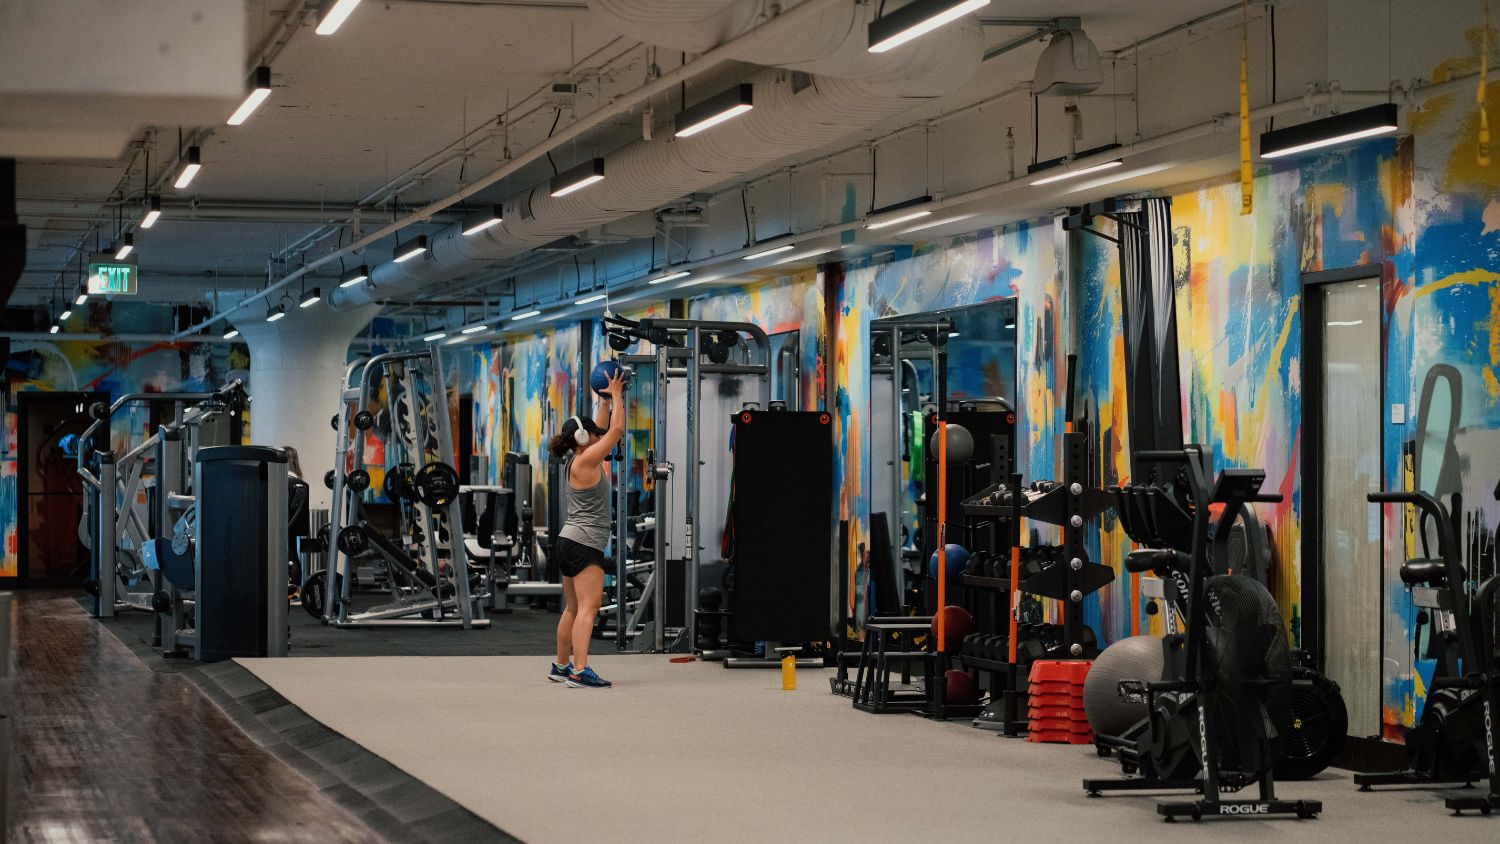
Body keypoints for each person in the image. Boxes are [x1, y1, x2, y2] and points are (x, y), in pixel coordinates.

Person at [546, 367, 625, 689]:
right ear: (584, 438)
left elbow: (603, 428)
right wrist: (617, 395)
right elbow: (615, 431)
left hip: (569, 541)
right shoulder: (587, 461)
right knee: (589, 608)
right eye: (592, 432)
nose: (597, 434)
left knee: (574, 608)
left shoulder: (575, 459)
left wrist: (604, 400)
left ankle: (561, 665)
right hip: (584, 544)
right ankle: (580, 670)